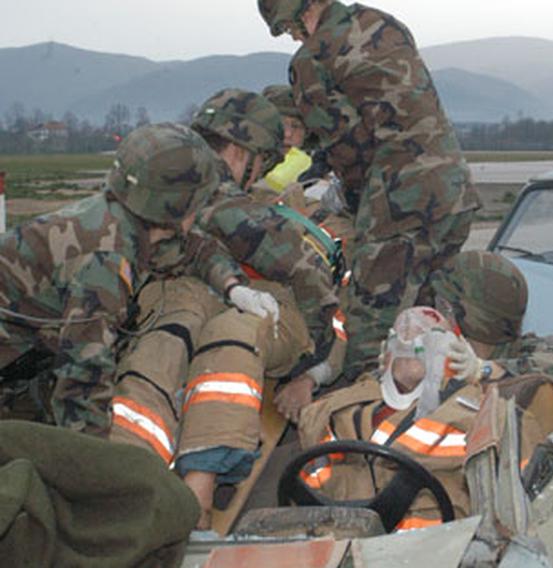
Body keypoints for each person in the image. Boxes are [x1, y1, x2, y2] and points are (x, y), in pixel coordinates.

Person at [109, 91, 339, 527]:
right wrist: (314, 361)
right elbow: (291, 262)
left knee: (165, 350)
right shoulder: (212, 187)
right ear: (240, 151)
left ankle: (125, 489)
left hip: (149, 308)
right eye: (264, 162)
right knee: (223, 336)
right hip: (183, 303)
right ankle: (195, 497)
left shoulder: (168, 165)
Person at [258, 0, 481, 381]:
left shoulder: (310, 61)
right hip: (453, 188)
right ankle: (438, 403)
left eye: (289, 28)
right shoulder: (381, 23)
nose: (293, 36)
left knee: (371, 327)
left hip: (399, 199)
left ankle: (367, 416)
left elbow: (347, 147)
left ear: (299, 12)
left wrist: (358, 203)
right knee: (428, 311)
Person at [0, 123, 258, 436]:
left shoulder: (129, 219)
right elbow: (82, 384)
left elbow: (195, 250)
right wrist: (104, 471)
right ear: (180, 206)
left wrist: (232, 286)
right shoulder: (106, 262)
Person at [295, 306, 553, 530]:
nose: (411, 338)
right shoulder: (342, 407)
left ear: (456, 352)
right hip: (335, 538)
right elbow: (308, 476)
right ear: (385, 352)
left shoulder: (489, 416)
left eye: (428, 335)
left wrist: (485, 371)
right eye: (402, 333)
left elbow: (526, 500)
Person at [430, 250, 553, 430]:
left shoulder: (527, 352)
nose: (436, 313)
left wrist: (483, 370)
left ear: (472, 319)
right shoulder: (445, 351)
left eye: (443, 306)